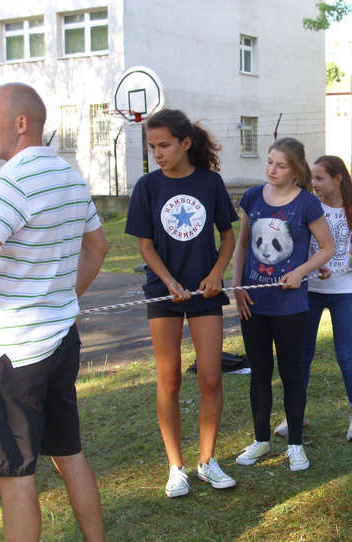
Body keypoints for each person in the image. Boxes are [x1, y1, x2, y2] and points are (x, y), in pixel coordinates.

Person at [0, 83, 107, 541]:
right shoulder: (70, 176)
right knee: (69, 453)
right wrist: (62, 301)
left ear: (21, 123)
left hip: (12, 355)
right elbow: (98, 249)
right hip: (59, 341)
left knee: (14, 478)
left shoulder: (7, 184)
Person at [126, 109, 238, 496]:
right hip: (163, 294)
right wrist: (168, 281)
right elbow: (145, 245)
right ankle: (176, 467)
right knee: (169, 378)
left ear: (185, 143)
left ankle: (207, 461)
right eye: (152, 147)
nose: (157, 153)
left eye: (164, 145)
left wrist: (216, 274)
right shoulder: (147, 187)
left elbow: (227, 237)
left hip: (205, 294)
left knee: (210, 377)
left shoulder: (210, 183)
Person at [233, 137, 334, 471]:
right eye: (269, 162)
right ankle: (261, 439)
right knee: (259, 374)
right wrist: (237, 286)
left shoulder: (307, 203)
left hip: (290, 306)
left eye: (280, 165)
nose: (272, 170)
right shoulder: (252, 196)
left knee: (292, 374)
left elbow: (327, 248)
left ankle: (295, 445)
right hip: (253, 304)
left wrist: (300, 271)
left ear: (295, 171)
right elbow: (243, 245)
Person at [272, 155, 352, 442]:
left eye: (320, 178)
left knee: (345, 355)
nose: (315, 183)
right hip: (309, 292)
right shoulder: (310, 205)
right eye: (313, 178)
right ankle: (295, 415)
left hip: (342, 293)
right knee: (303, 356)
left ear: (338, 179)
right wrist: (309, 268)